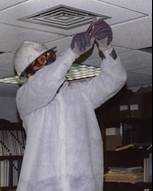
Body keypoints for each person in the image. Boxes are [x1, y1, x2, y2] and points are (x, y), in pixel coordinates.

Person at [14, 20, 127, 191]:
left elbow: (115, 79)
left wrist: (106, 48)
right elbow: (44, 84)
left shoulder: (80, 94)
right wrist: (71, 53)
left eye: (49, 58)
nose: (47, 64)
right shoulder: (25, 98)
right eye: (39, 62)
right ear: (27, 74)